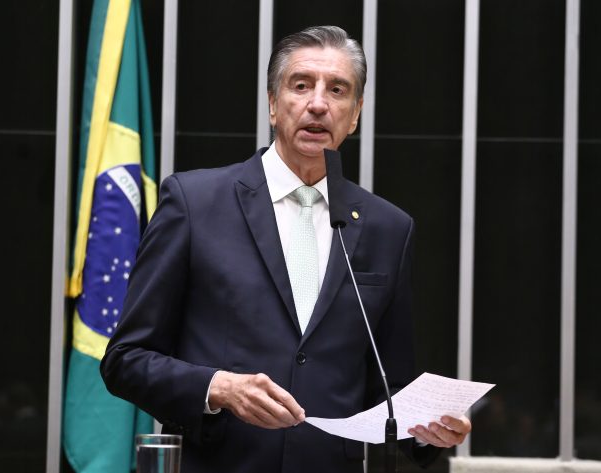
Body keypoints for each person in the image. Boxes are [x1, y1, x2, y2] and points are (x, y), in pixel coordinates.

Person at [101, 25, 471, 473]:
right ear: (274, 104)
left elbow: (387, 387)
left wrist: (429, 427)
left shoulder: (388, 229)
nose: (318, 103)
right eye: (301, 85)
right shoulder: (195, 204)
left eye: (337, 90)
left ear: (355, 114)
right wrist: (217, 388)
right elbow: (125, 360)